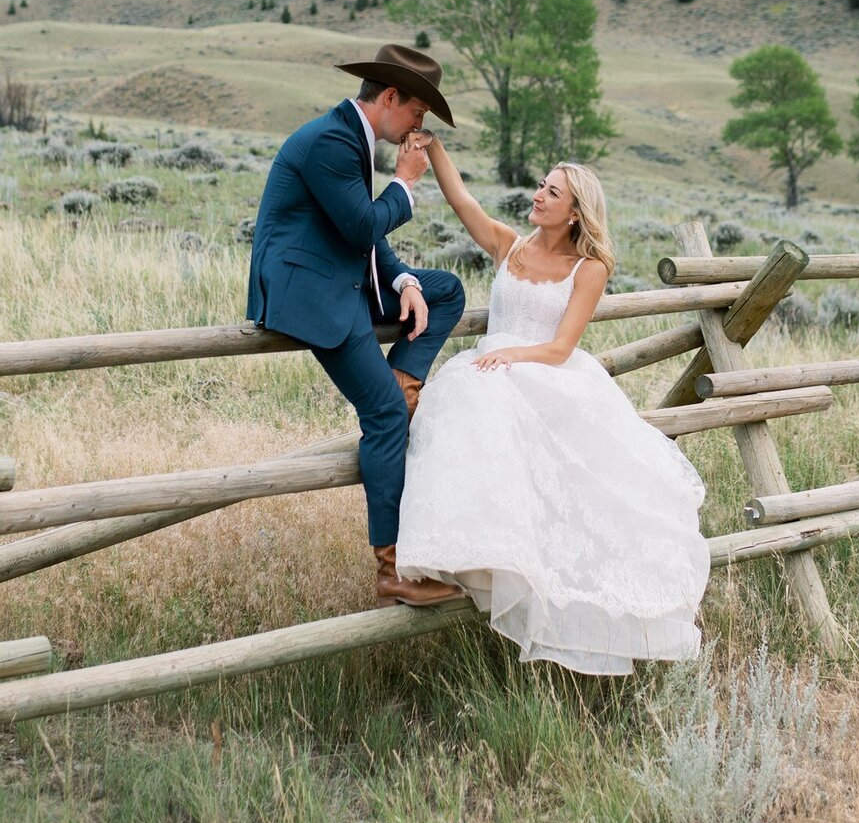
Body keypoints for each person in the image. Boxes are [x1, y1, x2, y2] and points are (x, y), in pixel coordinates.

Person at [396, 139, 710, 675]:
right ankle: (464, 562)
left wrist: (512, 355)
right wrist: (438, 148)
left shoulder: (589, 268)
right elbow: (461, 201)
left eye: (552, 191)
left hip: (544, 370)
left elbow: (563, 346)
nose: (539, 195)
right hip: (491, 370)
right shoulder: (510, 246)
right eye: (542, 185)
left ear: (574, 212)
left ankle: (551, 588)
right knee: (469, 415)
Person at [246, 43, 466, 610]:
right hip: (311, 295)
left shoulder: (350, 137)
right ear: (390, 98)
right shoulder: (331, 141)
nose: (419, 127)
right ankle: (391, 569)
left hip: (338, 278)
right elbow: (362, 223)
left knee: (444, 290)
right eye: (418, 113)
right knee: (386, 417)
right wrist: (407, 182)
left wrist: (403, 282)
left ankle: (402, 383)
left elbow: (360, 234)